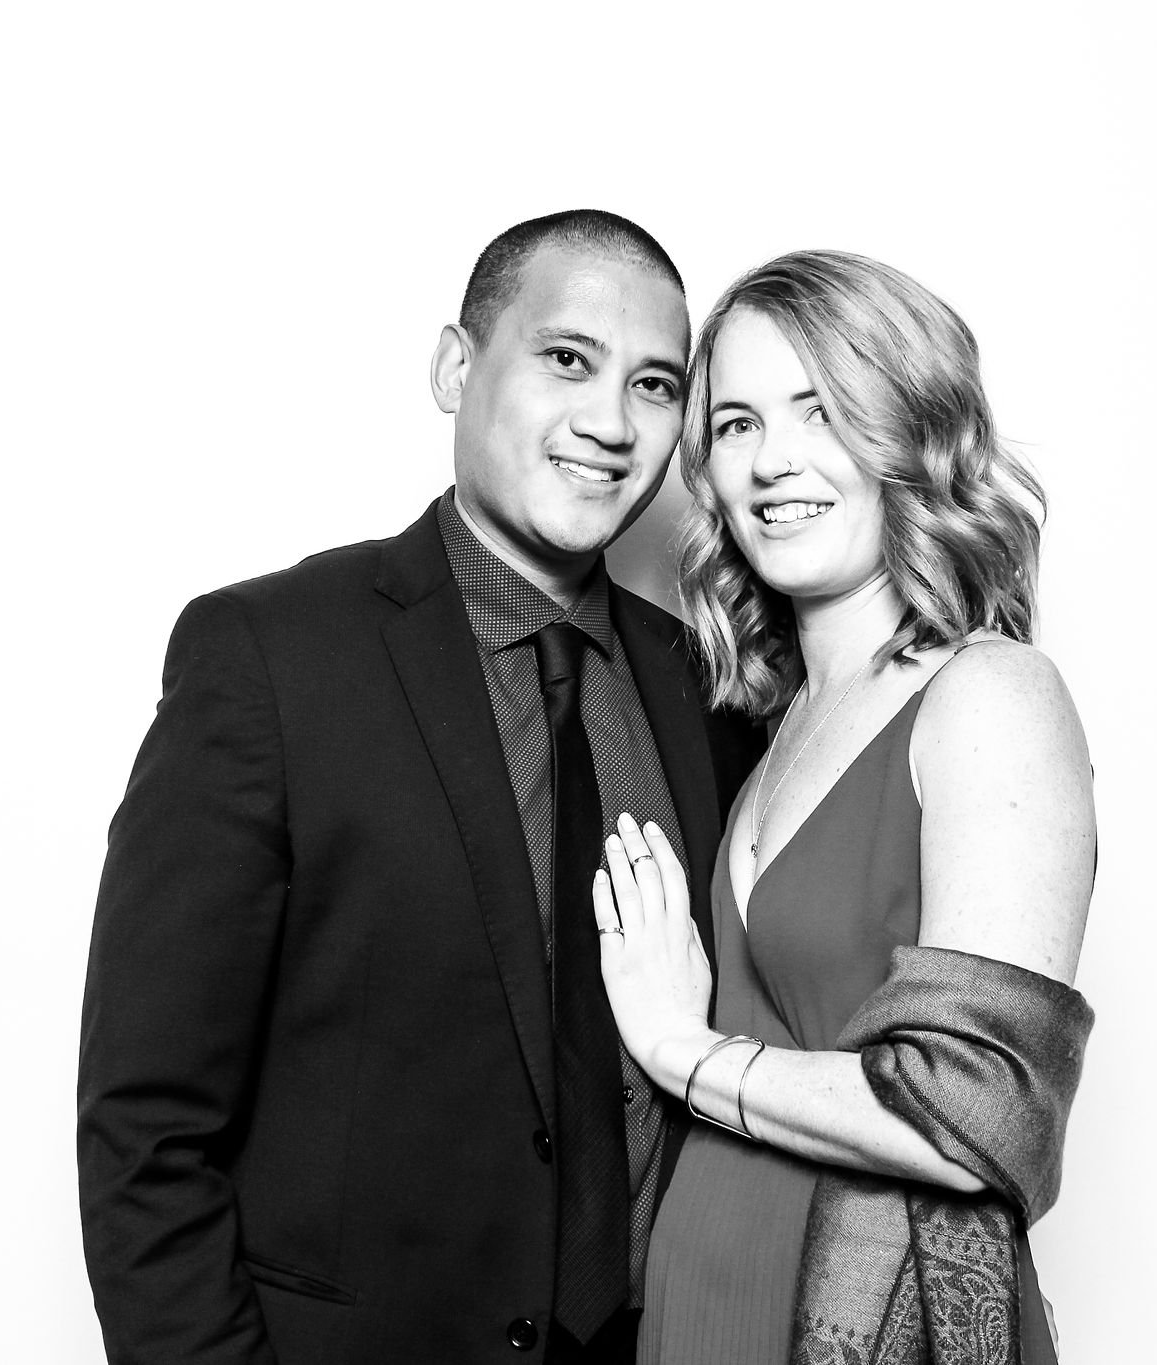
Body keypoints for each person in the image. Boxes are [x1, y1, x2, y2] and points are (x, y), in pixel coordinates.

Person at [77, 209, 759, 1365]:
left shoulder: (710, 688)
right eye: (565, 359)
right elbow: (146, 1128)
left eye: (653, 385)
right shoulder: (269, 660)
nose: (608, 422)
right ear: (455, 367)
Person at [591, 251, 1098, 1364]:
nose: (774, 459)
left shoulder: (988, 697)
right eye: (733, 424)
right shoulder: (770, 727)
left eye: (821, 410)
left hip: (862, 1322)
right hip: (702, 1299)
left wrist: (682, 1051)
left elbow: (978, 1115)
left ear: (909, 432)